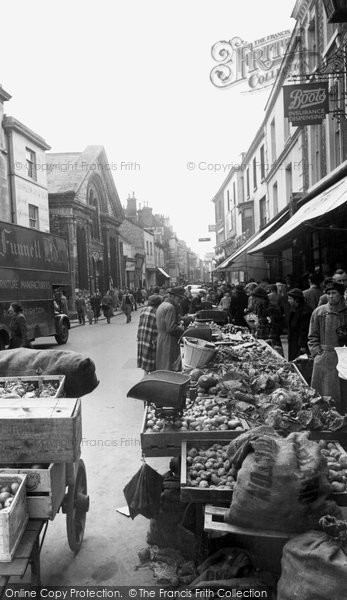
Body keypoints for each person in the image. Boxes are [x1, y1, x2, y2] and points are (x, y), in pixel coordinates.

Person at [308, 280, 347, 412]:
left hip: (343, 356)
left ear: (340, 295)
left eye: (334, 293)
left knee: (342, 389)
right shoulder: (319, 312)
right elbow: (312, 336)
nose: (330, 296)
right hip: (324, 356)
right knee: (323, 391)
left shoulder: (345, 312)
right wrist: (317, 352)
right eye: (328, 293)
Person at [156, 287, 185, 371]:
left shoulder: (162, 305)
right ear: (173, 296)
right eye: (179, 298)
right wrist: (183, 331)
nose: (180, 301)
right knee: (169, 364)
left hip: (161, 338)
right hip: (168, 340)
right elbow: (171, 328)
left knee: (162, 364)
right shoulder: (170, 307)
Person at [249, 286, 283, 353]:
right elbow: (258, 320)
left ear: (261, 297)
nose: (254, 300)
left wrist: (271, 339)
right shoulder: (259, 306)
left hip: (270, 339)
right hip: (261, 336)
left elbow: (275, 325)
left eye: (256, 298)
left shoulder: (272, 308)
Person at [137, 294, 162, 374]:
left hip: (143, 336)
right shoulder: (156, 311)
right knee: (152, 364)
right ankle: (147, 381)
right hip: (152, 338)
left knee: (146, 364)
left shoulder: (143, 309)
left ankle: (145, 377)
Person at [287, 288, 312, 361]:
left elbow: (304, 330)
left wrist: (303, 345)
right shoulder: (295, 309)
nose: (288, 301)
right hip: (294, 341)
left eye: (290, 299)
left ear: (296, 300)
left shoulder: (306, 311)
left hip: (300, 344)